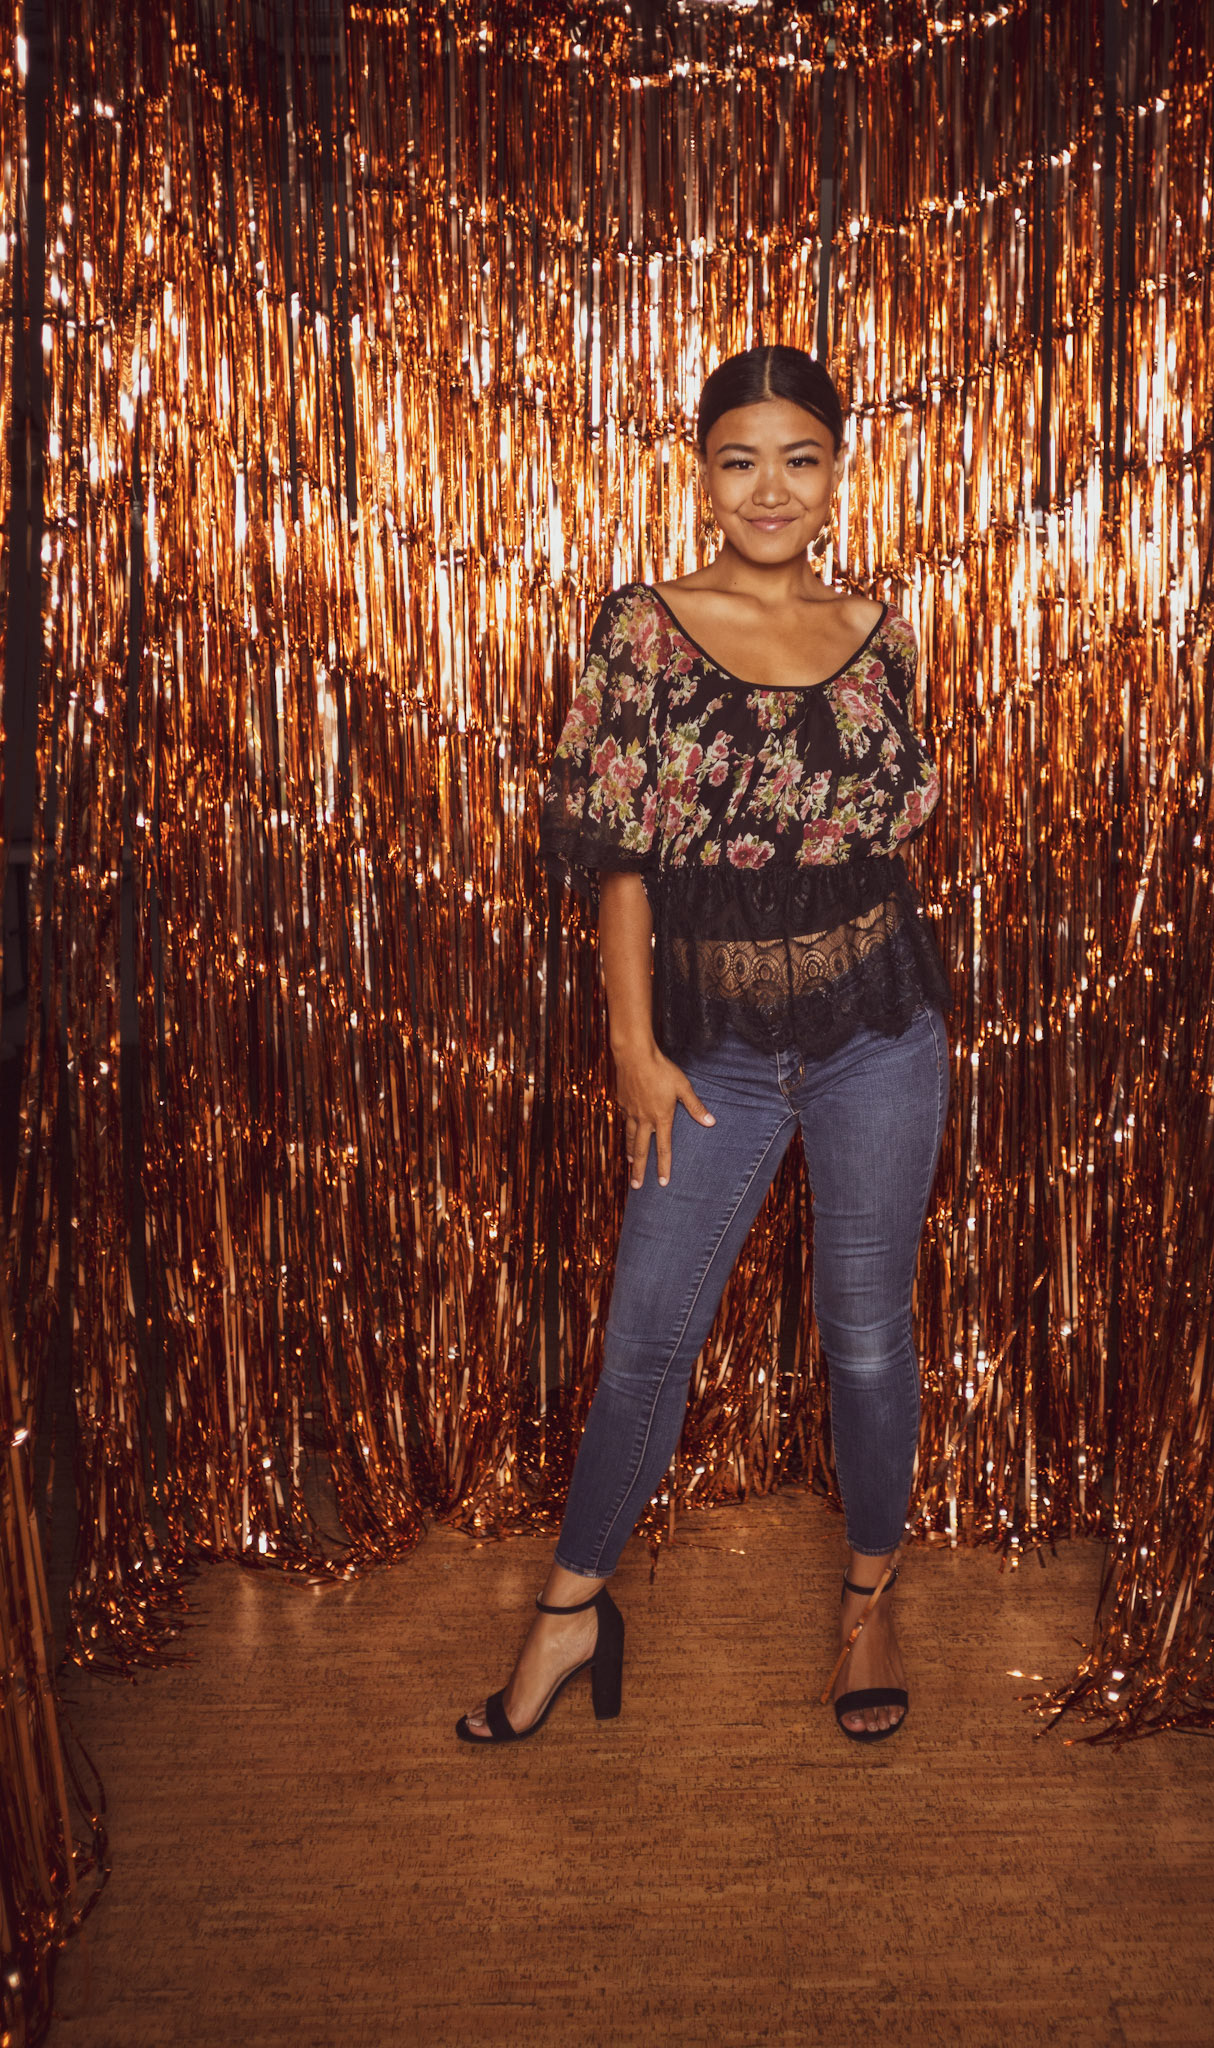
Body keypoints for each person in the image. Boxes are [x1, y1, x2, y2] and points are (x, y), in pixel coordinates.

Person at [457, 344, 950, 1748]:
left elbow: (876, 838)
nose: (769, 489)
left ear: (838, 472)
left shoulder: (884, 634)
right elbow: (617, 854)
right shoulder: (644, 624)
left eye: (800, 458)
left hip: (878, 1029)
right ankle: (569, 1613)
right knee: (644, 1343)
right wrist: (634, 1045)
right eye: (740, 460)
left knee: (866, 1338)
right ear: (703, 474)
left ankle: (869, 1601)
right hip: (712, 1046)